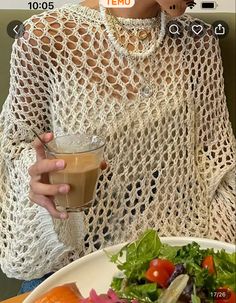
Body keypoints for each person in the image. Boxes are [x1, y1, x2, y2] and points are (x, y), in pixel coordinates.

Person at [0, 0, 235, 293]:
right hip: (73, 261)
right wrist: (34, 179)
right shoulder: (44, 37)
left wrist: (215, 256)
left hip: (171, 265)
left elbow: (217, 163)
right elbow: (15, 149)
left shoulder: (198, 41)